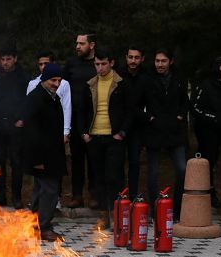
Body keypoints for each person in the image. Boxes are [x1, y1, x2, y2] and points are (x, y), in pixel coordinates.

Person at [77, 47, 132, 227]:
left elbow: (129, 112)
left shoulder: (121, 84)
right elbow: (82, 111)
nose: (99, 68)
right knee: (98, 177)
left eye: (103, 64)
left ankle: (116, 212)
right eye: (97, 64)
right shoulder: (90, 84)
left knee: (115, 176)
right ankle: (103, 214)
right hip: (94, 137)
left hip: (113, 137)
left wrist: (121, 133)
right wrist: (84, 133)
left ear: (112, 63)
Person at [140, 48, 188, 220]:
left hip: (175, 131)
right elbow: (138, 104)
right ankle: (154, 210)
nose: (160, 64)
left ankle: (176, 210)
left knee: (182, 169)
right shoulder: (147, 79)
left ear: (171, 62)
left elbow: (185, 101)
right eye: (157, 61)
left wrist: (180, 116)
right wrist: (150, 118)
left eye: (163, 61)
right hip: (154, 131)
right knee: (152, 173)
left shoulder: (179, 78)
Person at [24, 63, 67, 242]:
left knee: (41, 189)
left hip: (53, 153)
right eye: (53, 80)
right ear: (44, 79)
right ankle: (44, 227)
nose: (56, 84)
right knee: (49, 190)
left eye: (59, 80)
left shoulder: (53, 97)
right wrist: (36, 158)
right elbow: (31, 132)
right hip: (42, 156)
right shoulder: (36, 99)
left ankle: (34, 225)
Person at [193, 56, 221, 208]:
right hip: (210, 130)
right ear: (220, 67)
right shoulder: (206, 85)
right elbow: (197, 108)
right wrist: (214, 118)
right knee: (210, 161)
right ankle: (211, 192)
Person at [0, 45, 28, 209]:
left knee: (16, 162)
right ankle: (0, 196)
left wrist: (22, 119)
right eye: (3, 59)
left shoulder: (23, 77)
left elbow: (28, 100)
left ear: (15, 59)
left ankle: (17, 198)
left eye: (8, 59)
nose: (5, 63)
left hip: (16, 125)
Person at [64, 33, 98, 209]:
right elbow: (62, 88)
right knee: (76, 159)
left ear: (91, 45)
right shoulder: (71, 64)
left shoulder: (98, 64)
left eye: (81, 43)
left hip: (94, 118)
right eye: (76, 43)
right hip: (75, 117)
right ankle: (77, 195)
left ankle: (94, 194)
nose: (77, 46)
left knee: (93, 158)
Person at [118, 46, 150, 200]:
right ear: (126, 57)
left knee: (134, 162)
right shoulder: (118, 74)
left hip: (137, 127)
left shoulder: (146, 76)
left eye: (137, 57)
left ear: (142, 59)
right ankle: (120, 195)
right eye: (130, 57)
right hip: (120, 124)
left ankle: (132, 195)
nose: (133, 61)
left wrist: (146, 116)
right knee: (118, 161)